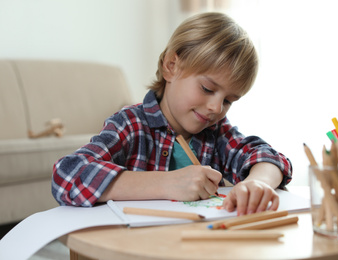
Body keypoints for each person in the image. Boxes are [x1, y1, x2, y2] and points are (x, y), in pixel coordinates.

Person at [52, 12, 292, 216]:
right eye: (207, 89)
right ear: (171, 66)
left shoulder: (217, 133)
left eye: (229, 100)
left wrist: (256, 184)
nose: (216, 108)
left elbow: (268, 157)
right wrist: (165, 183)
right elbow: (67, 174)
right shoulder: (130, 124)